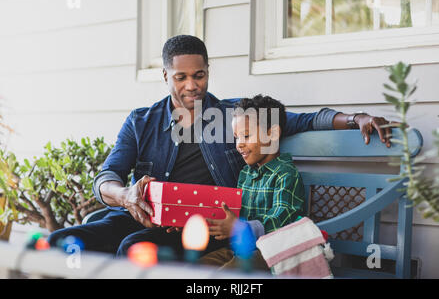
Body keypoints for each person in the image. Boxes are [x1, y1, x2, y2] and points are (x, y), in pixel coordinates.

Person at [47, 35, 393, 259]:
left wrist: (354, 118)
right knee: (61, 241)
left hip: (206, 227)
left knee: (133, 249)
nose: (191, 86)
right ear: (165, 77)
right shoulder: (141, 121)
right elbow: (107, 176)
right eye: (181, 77)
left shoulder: (236, 115)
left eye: (199, 75)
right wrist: (126, 197)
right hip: (143, 217)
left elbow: (300, 119)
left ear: (208, 72)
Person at [199, 95, 305, 270]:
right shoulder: (245, 174)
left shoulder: (285, 174)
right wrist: (192, 220)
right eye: (236, 137)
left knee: (226, 273)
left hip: (273, 254)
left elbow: (281, 220)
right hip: (241, 250)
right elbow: (230, 213)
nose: (239, 144)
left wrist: (240, 228)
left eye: (246, 136)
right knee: (194, 269)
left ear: (273, 133)